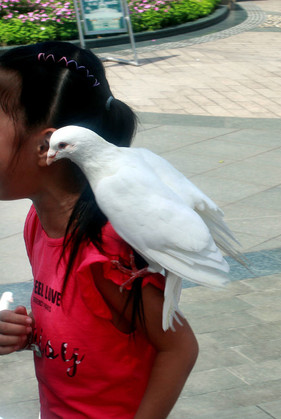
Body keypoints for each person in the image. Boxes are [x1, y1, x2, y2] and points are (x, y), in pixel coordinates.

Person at [0, 41, 198, 419]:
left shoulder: (104, 248)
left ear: (47, 145)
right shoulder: (38, 224)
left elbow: (179, 347)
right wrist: (27, 334)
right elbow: (86, 325)